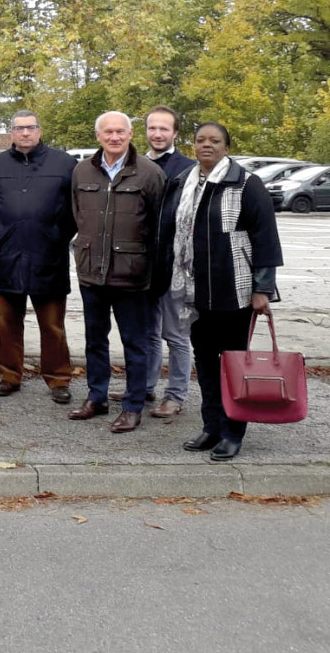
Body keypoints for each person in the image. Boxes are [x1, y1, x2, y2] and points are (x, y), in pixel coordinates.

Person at [162, 123, 283, 461]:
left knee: (233, 365)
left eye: (215, 141)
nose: (207, 146)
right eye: (201, 140)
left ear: (226, 146)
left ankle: (233, 432)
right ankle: (211, 426)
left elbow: (265, 238)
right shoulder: (184, 182)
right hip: (195, 292)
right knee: (206, 363)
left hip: (235, 292)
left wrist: (263, 289)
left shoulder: (246, 184)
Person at [68, 111, 165, 432]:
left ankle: (133, 405)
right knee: (95, 340)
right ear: (98, 136)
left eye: (120, 132)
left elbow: (160, 227)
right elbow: (78, 215)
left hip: (132, 276)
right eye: (108, 132)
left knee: (134, 343)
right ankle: (97, 396)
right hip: (91, 273)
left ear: (130, 134)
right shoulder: (82, 171)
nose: (114, 137)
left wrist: (153, 272)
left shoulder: (149, 173)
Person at [0, 110, 77, 403]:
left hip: (48, 255)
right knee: (8, 322)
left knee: (52, 325)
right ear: (11, 132)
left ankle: (58, 377)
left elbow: (75, 210)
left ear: (39, 130)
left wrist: (58, 235)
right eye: (19, 128)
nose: (25, 133)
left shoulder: (64, 164)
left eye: (30, 127)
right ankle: (9, 375)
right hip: (8, 254)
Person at [142, 105, 196, 418]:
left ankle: (175, 394)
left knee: (176, 335)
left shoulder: (189, 169)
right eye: (153, 128)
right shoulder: (139, 164)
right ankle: (147, 387)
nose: (158, 134)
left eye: (164, 129)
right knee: (148, 332)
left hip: (176, 267)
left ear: (175, 133)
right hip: (144, 264)